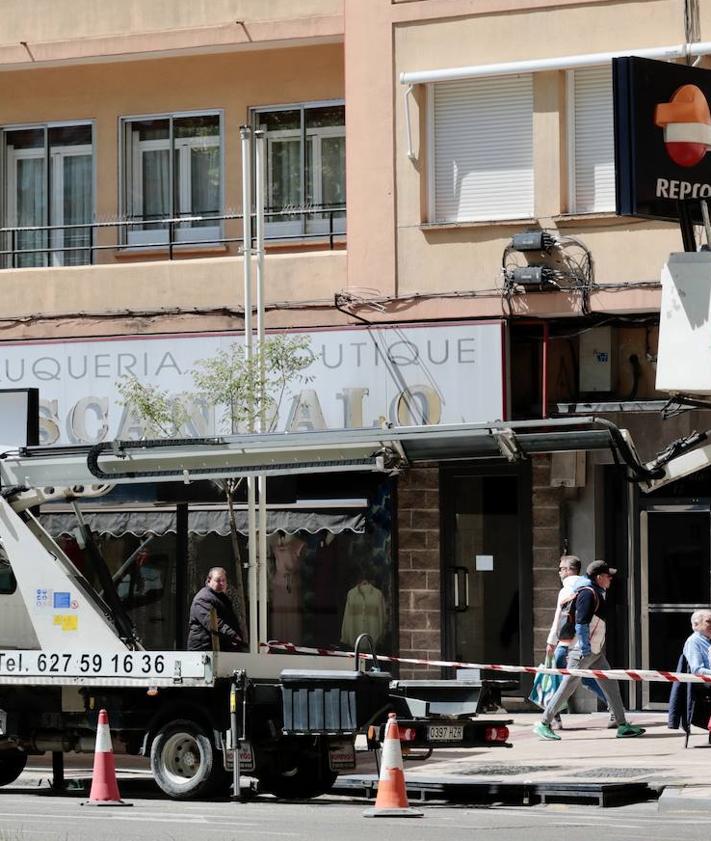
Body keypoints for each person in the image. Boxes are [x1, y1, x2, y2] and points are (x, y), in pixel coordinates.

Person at [533, 560, 645, 740]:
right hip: (583, 651)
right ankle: (544, 723)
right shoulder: (588, 593)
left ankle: (623, 725)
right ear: (599, 577)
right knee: (567, 687)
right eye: (608, 576)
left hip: (595, 651)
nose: (610, 579)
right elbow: (582, 622)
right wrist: (584, 647)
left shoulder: (595, 591)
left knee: (611, 685)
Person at [545, 555, 608, 728]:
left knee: (560, 682)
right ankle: (616, 711)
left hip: (567, 645)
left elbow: (559, 618)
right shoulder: (591, 587)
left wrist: (551, 641)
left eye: (560, 568)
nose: (559, 572)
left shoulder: (566, 590)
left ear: (567, 570)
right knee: (590, 680)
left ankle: (550, 719)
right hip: (589, 645)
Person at [187, 567, 244, 652]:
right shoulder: (203, 598)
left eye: (224, 580)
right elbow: (214, 623)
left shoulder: (222, 598)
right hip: (203, 652)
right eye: (218, 580)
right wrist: (234, 636)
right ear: (209, 581)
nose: (222, 583)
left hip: (219, 650)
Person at [683, 609, 711, 676]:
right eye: (708, 621)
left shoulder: (708, 639)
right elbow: (697, 670)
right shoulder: (693, 641)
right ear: (696, 624)